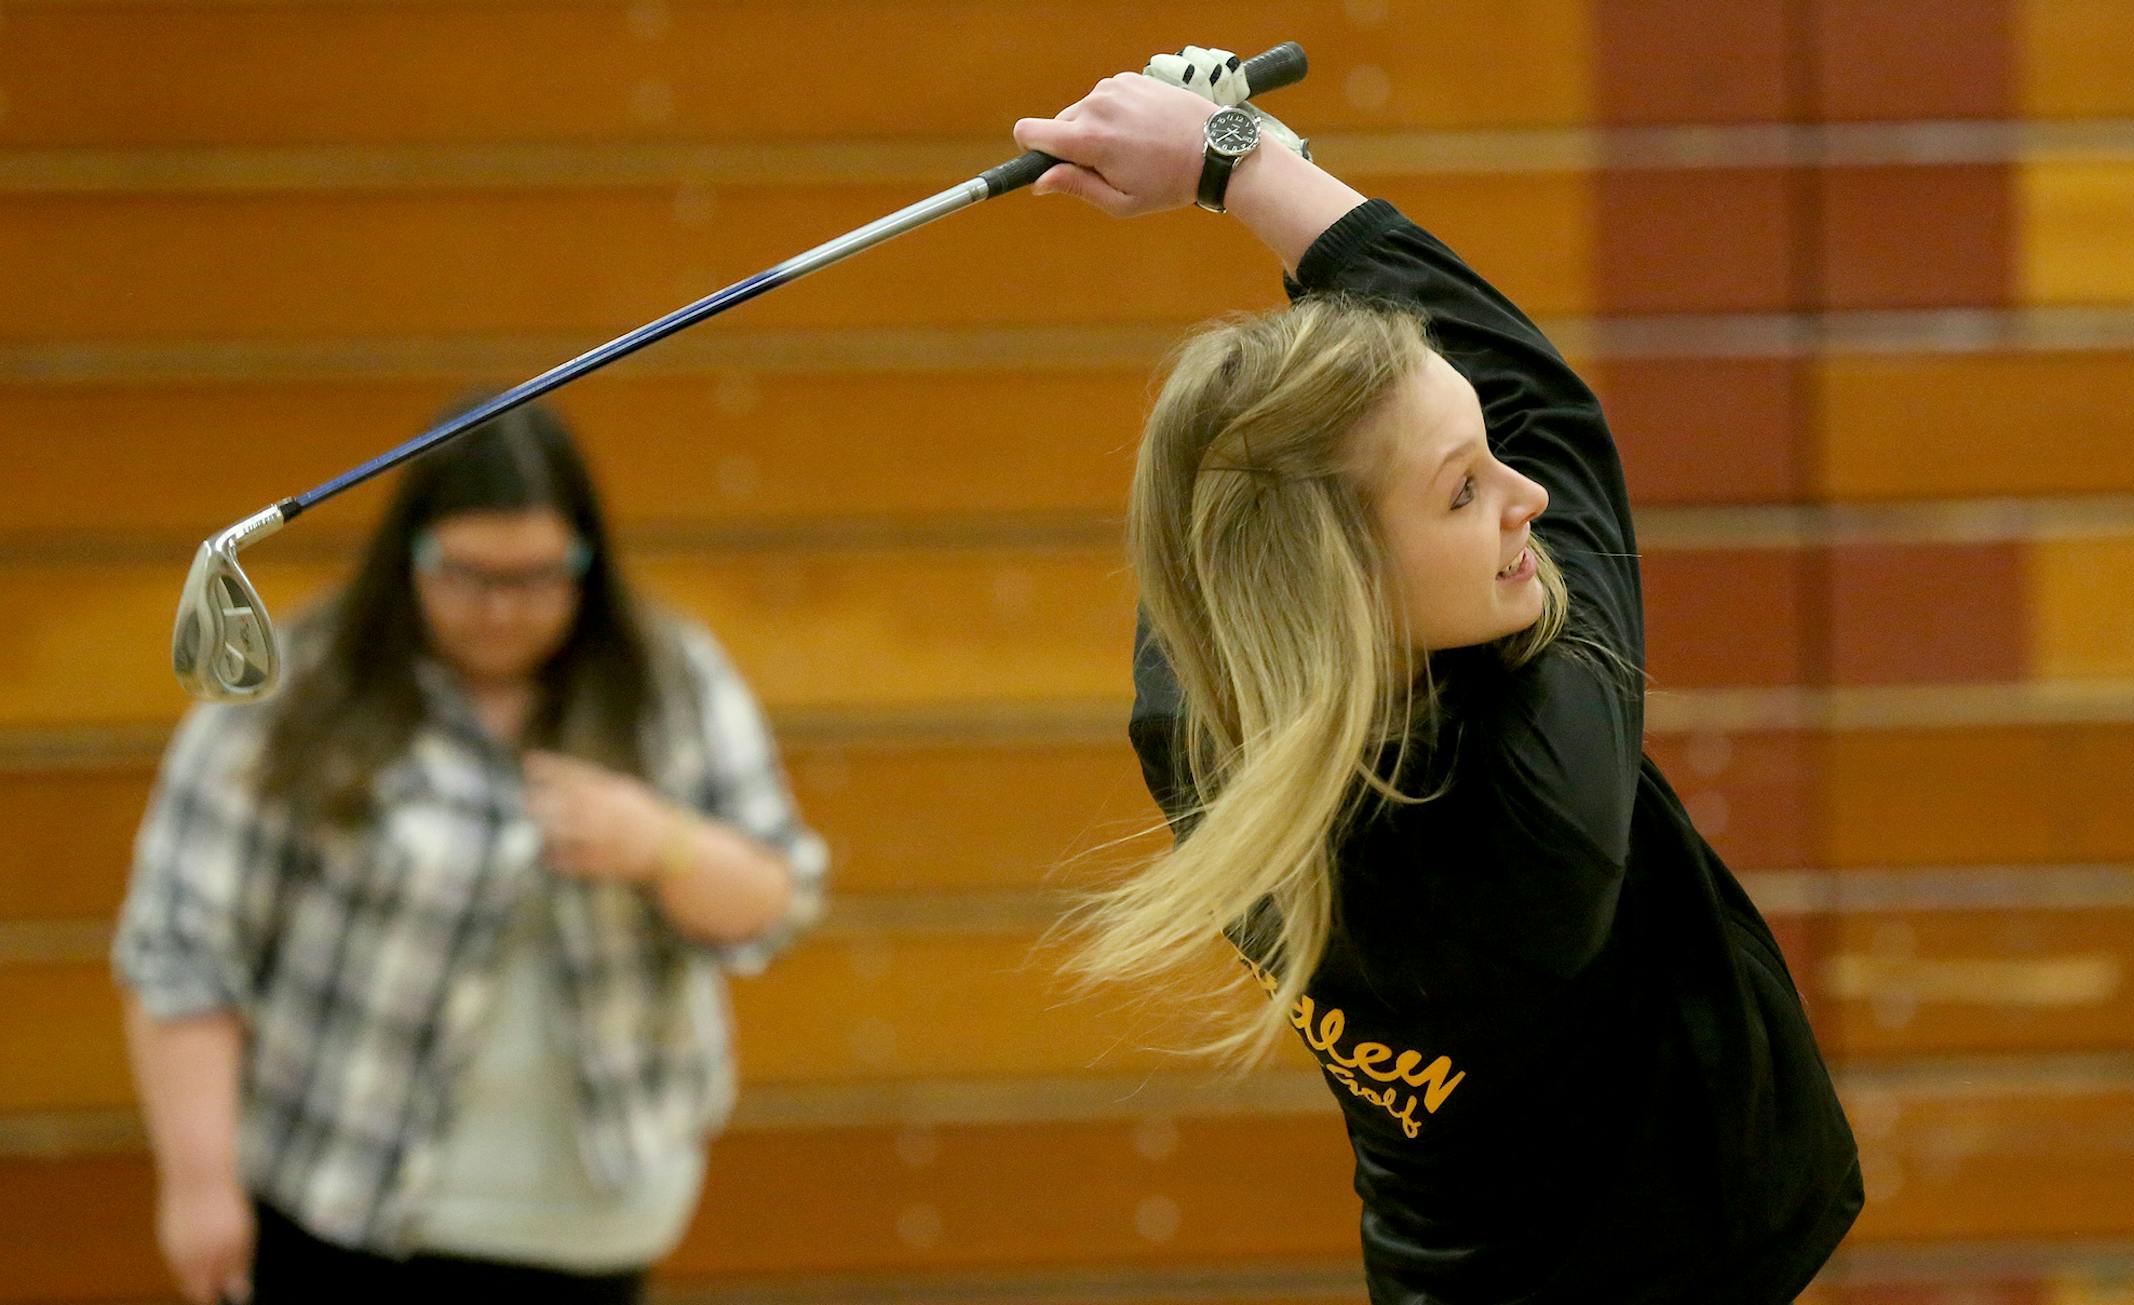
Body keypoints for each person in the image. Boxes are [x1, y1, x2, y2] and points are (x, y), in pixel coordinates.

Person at [1018, 50, 1863, 1304]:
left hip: (1433, 1267)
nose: (1520, 499)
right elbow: (1544, 408)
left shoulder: (1194, 696)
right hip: (1686, 1259)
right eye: (1466, 490)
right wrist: (1239, 163)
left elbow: (1277, 467)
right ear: (1346, 583)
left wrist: (1240, 165)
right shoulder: (1539, 787)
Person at [113, 400, 827, 1304]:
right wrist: (198, 1181)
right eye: (464, 572)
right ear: (407, 554)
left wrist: (664, 844)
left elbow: (780, 898)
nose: (497, 609)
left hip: (591, 1229)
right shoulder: (300, 684)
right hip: (338, 1207)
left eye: (535, 575)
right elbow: (182, 947)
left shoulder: (670, 681)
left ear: (587, 561)